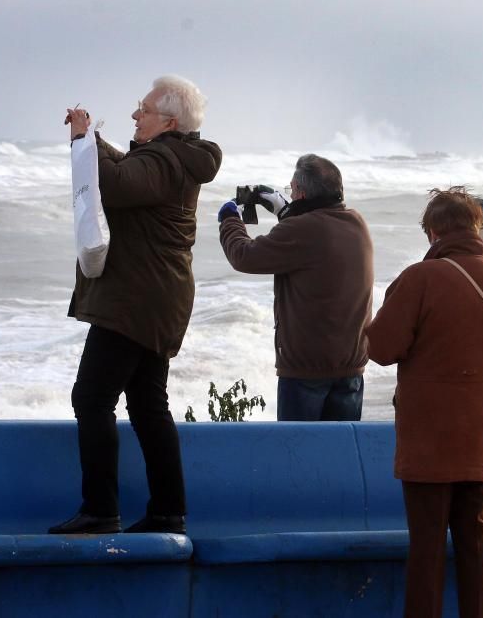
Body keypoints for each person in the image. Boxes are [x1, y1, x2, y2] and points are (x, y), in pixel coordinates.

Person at [49, 75, 221, 535]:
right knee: (147, 404)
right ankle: (168, 511)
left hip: (136, 301)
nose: (134, 115)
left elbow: (120, 184)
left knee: (91, 397)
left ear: (167, 121)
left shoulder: (166, 160)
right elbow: (128, 170)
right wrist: (93, 140)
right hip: (156, 299)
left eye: (142, 109)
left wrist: (86, 140)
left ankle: (101, 510)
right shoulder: (172, 158)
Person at [365, 186, 483, 618]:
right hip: (482, 435)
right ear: (475, 228)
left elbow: (381, 348)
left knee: (426, 550)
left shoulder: (419, 279)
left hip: (429, 440)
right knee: (477, 546)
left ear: (433, 233)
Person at [217, 154, 373, 421]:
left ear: (300, 193)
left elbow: (244, 256)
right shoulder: (356, 222)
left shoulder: (302, 229)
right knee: (337, 455)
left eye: (292, 189)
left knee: (298, 455)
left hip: (307, 372)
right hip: (351, 367)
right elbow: (311, 243)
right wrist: (286, 211)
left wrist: (230, 220)